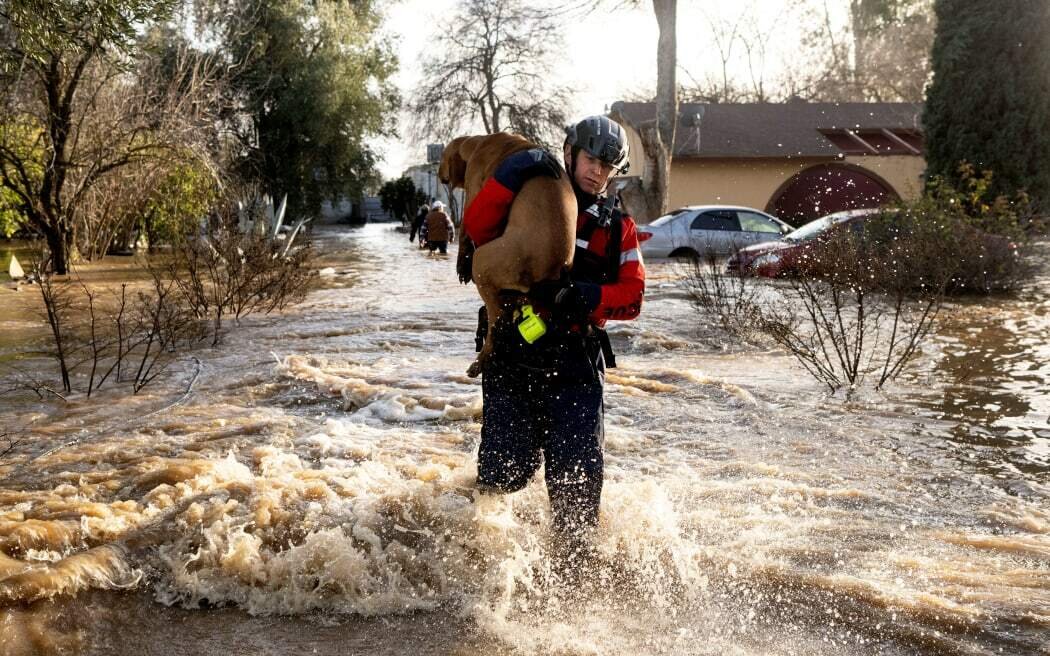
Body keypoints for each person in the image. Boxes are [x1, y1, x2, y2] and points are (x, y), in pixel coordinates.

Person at [462, 115, 645, 569]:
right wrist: (509, 176)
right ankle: (483, 560)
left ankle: (573, 580)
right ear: (569, 153)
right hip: (513, 353)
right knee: (503, 471)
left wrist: (586, 296)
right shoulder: (525, 197)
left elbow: (634, 295)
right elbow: (477, 227)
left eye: (607, 166)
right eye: (590, 159)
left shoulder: (617, 227)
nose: (597, 172)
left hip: (576, 366)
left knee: (578, 487)